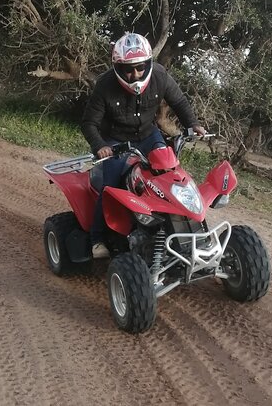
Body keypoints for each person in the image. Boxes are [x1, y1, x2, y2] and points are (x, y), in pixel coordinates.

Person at [81, 32, 206, 259]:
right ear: (118, 67)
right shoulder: (106, 85)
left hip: (149, 135)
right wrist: (100, 145)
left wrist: (193, 124)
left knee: (170, 172)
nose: (135, 74)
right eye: (128, 69)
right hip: (116, 140)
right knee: (110, 187)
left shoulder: (159, 75)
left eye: (140, 67)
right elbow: (89, 123)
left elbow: (179, 101)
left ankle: (178, 226)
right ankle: (97, 238)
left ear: (148, 63)